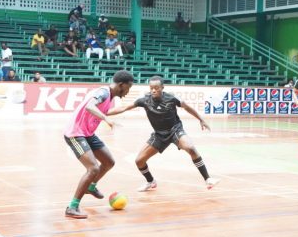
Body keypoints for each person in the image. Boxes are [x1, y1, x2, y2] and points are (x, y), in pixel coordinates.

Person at [107, 76, 220, 191]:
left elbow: (187, 107)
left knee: (190, 148)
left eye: (156, 88)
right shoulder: (145, 100)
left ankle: (208, 179)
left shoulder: (171, 98)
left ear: (162, 87)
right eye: (151, 88)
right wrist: (104, 113)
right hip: (159, 135)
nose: (153, 90)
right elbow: (124, 107)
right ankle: (151, 182)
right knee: (139, 161)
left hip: (175, 130)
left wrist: (201, 119)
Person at [64, 70, 134, 219]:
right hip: (75, 134)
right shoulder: (103, 93)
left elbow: (105, 111)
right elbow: (90, 106)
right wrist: (106, 119)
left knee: (109, 162)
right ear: (121, 85)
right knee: (93, 168)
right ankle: (72, 207)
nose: (128, 92)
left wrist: (127, 108)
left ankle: (91, 186)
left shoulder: (109, 97)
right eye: (128, 88)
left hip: (88, 134)